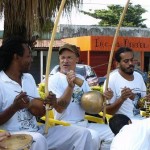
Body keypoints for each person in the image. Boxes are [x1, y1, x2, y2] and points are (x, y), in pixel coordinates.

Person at [0, 36, 96, 150]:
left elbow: (39, 112)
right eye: (28, 56)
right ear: (16, 57)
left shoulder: (28, 78)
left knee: (83, 134)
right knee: (38, 140)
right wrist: (14, 107)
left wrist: (48, 103)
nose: (31, 59)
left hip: (37, 131)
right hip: (12, 136)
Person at [47, 43, 114, 150]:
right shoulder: (54, 79)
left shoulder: (80, 78)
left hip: (84, 123)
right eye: (63, 57)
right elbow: (59, 108)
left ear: (77, 59)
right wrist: (70, 86)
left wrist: (105, 97)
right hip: (65, 126)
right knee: (94, 136)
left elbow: (92, 102)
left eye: (69, 57)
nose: (65, 61)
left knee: (112, 133)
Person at [104, 47, 150, 121]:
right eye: (126, 61)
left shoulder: (138, 76)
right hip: (125, 123)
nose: (130, 63)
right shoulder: (111, 79)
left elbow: (145, 103)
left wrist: (145, 99)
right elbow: (108, 111)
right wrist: (122, 99)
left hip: (143, 119)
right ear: (117, 64)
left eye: (132, 60)